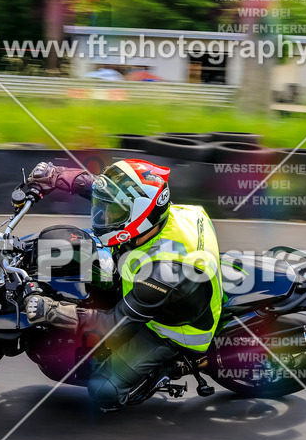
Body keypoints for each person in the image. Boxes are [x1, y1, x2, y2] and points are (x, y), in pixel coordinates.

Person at [18, 159, 222, 411]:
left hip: (171, 329)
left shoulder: (163, 272)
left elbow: (116, 325)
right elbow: (100, 188)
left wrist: (53, 310)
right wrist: (55, 175)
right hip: (166, 290)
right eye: (104, 207)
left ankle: (166, 369)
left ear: (141, 216)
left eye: (112, 211)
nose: (102, 214)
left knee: (103, 390)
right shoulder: (155, 218)